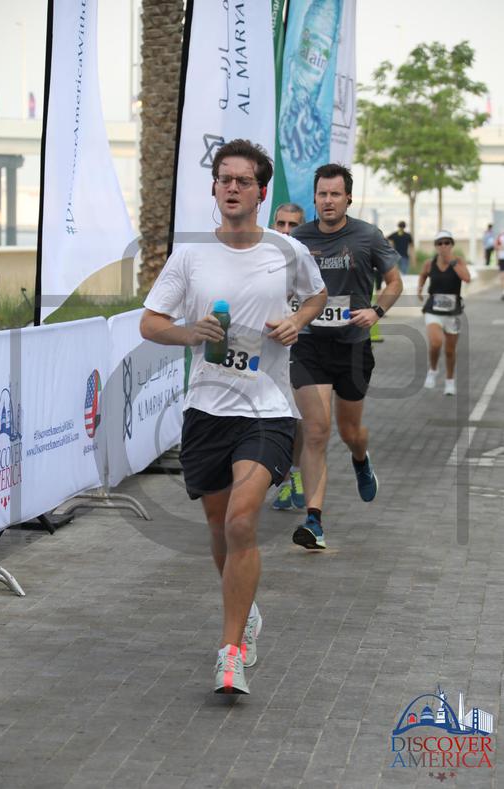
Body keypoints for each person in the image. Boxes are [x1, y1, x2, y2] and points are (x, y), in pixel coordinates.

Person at [140, 139, 326, 694]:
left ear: (261, 192)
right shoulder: (191, 256)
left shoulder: (287, 251)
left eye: (244, 180)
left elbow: (315, 297)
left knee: (242, 521)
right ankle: (245, 609)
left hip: (266, 409)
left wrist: (297, 322)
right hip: (207, 409)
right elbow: (150, 322)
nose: (233, 187)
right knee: (220, 528)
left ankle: (231, 652)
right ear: (215, 187)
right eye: (225, 179)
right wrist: (188, 332)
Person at [289, 163, 403, 550]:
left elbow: (394, 282)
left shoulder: (367, 236)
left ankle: (360, 458)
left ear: (348, 198)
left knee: (349, 431)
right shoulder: (299, 239)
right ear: (315, 198)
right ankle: (314, 521)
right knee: (316, 431)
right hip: (309, 345)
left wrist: (376, 311)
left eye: (335, 194)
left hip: (353, 346)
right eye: (322, 194)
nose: (328, 201)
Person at [270, 202, 307, 511]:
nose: (286, 231)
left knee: (298, 417)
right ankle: (282, 479)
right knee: (274, 417)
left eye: (293, 225)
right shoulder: (263, 258)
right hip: (269, 350)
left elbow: (322, 300)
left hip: (304, 349)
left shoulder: (308, 259)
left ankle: (294, 472)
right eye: (281, 224)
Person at [417, 230, 471, 395]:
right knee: (436, 343)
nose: (443, 246)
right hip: (433, 310)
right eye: (440, 243)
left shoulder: (458, 261)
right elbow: (423, 275)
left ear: (452, 244)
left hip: (453, 312)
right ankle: (433, 370)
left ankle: (450, 381)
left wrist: (452, 262)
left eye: (447, 242)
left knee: (450, 350)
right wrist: (420, 288)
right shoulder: (429, 263)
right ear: (436, 246)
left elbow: (467, 278)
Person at [496, 229, 504, 300]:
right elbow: (496, 246)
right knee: (502, 276)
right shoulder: (500, 237)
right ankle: (503, 292)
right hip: (502, 258)